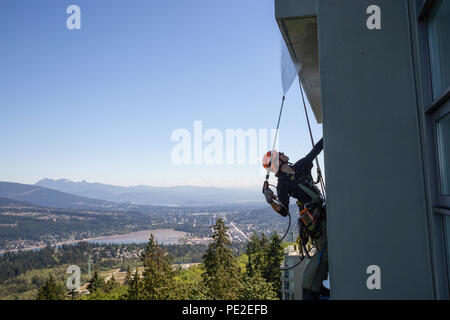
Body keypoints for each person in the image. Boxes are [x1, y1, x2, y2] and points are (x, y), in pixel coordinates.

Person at [262, 138, 329, 300]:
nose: (284, 154)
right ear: (277, 161)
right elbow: (284, 211)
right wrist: (271, 201)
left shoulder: (301, 165)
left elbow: (316, 149)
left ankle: (316, 285)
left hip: (320, 210)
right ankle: (311, 289)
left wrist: (328, 134)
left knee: (325, 250)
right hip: (314, 218)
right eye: (280, 154)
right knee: (325, 250)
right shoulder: (282, 184)